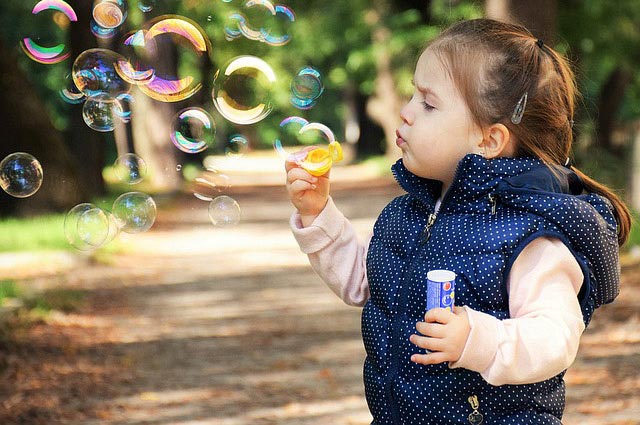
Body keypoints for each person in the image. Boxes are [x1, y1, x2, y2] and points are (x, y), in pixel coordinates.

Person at [285, 18, 630, 424]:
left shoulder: (527, 235)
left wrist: (477, 339)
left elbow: (556, 337)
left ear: (489, 140)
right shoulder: (407, 214)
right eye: (413, 94)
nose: (406, 112)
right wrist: (317, 213)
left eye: (428, 104)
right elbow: (365, 281)